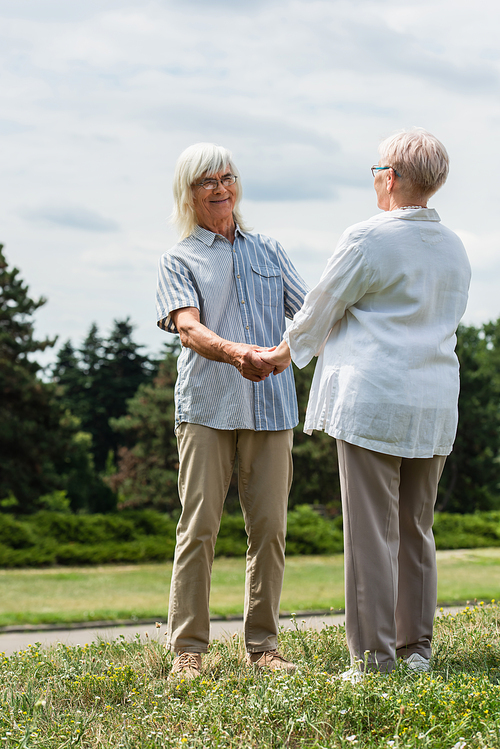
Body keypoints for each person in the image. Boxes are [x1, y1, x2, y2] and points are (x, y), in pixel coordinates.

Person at [260, 128, 471, 679]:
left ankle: (373, 659)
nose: (375, 176)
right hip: (433, 401)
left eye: (378, 167)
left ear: (392, 177)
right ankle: (415, 650)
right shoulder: (454, 246)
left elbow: (321, 306)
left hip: (376, 401)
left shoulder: (368, 237)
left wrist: (280, 354)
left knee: (370, 532)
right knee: (415, 528)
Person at [156, 142, 308, 680]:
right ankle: (188, 651)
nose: (221, 188)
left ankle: (264, 646)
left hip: (272, 408)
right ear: (189, 194)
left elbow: (307, 314)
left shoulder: (269, 250)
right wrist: (238, 352)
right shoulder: (180, 258)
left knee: (269, 529)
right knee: (199, 528)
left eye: (227, 177)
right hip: (206, 409)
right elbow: (189, 328)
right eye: (207, 182)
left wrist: (282, 353)